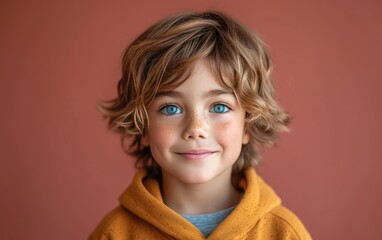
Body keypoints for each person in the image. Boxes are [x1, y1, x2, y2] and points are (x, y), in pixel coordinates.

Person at [89, 11, 311, 240]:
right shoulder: (113, 234)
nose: (196, 128)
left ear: (247, 124)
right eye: (171, 108)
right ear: (143, 125)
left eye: (219, 107)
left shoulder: (284, 233)